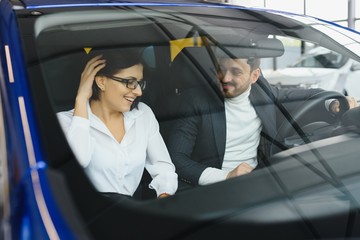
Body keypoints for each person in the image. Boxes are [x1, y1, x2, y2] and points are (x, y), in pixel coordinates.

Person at [167, 55, 358, 190]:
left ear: (254, 76)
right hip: (214, 188)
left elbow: (305, 95)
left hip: (259, 181)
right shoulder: (196, 100)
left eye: (235, 72)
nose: (225, 78)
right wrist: (225, 176)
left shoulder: (263, 92)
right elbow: (176, 158)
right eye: (221, 70)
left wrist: (334, 103)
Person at [57, 49, 178, 198]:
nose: (139, 92)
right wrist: (81, 98)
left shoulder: (143, 114)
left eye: (140, 83)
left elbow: (163, 167)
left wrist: (164, 197)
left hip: (129, 212)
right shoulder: (66, 122)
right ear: (101, 81)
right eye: (130, 82)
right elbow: (79, 160)